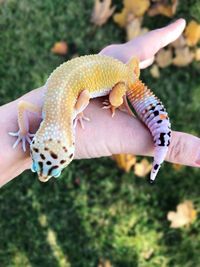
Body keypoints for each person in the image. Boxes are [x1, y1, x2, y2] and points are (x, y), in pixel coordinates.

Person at [0, 19, 199, 187]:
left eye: (36, 166)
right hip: (124, 70)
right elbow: (22, 106)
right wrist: (25, 131)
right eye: (54, 171)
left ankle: (120, 96)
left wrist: (111, 104)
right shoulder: (52, 111)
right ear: (71, 144)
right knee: (126, 79)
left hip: (121, 82)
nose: (43, 177)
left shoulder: (69, 111)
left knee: (115, 99)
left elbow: (86, 94)